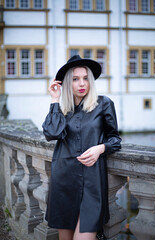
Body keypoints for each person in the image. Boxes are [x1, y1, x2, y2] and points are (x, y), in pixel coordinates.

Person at [42, 55, 121, 240]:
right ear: (68, 83)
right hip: (64, 181)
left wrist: (100, 148)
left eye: (86, 78)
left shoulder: (104, 104)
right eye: (76, 79)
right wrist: (55, 99)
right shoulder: (63, 110)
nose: (81, 83)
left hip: (92, 182)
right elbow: (51, 133)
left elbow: (115, 139)